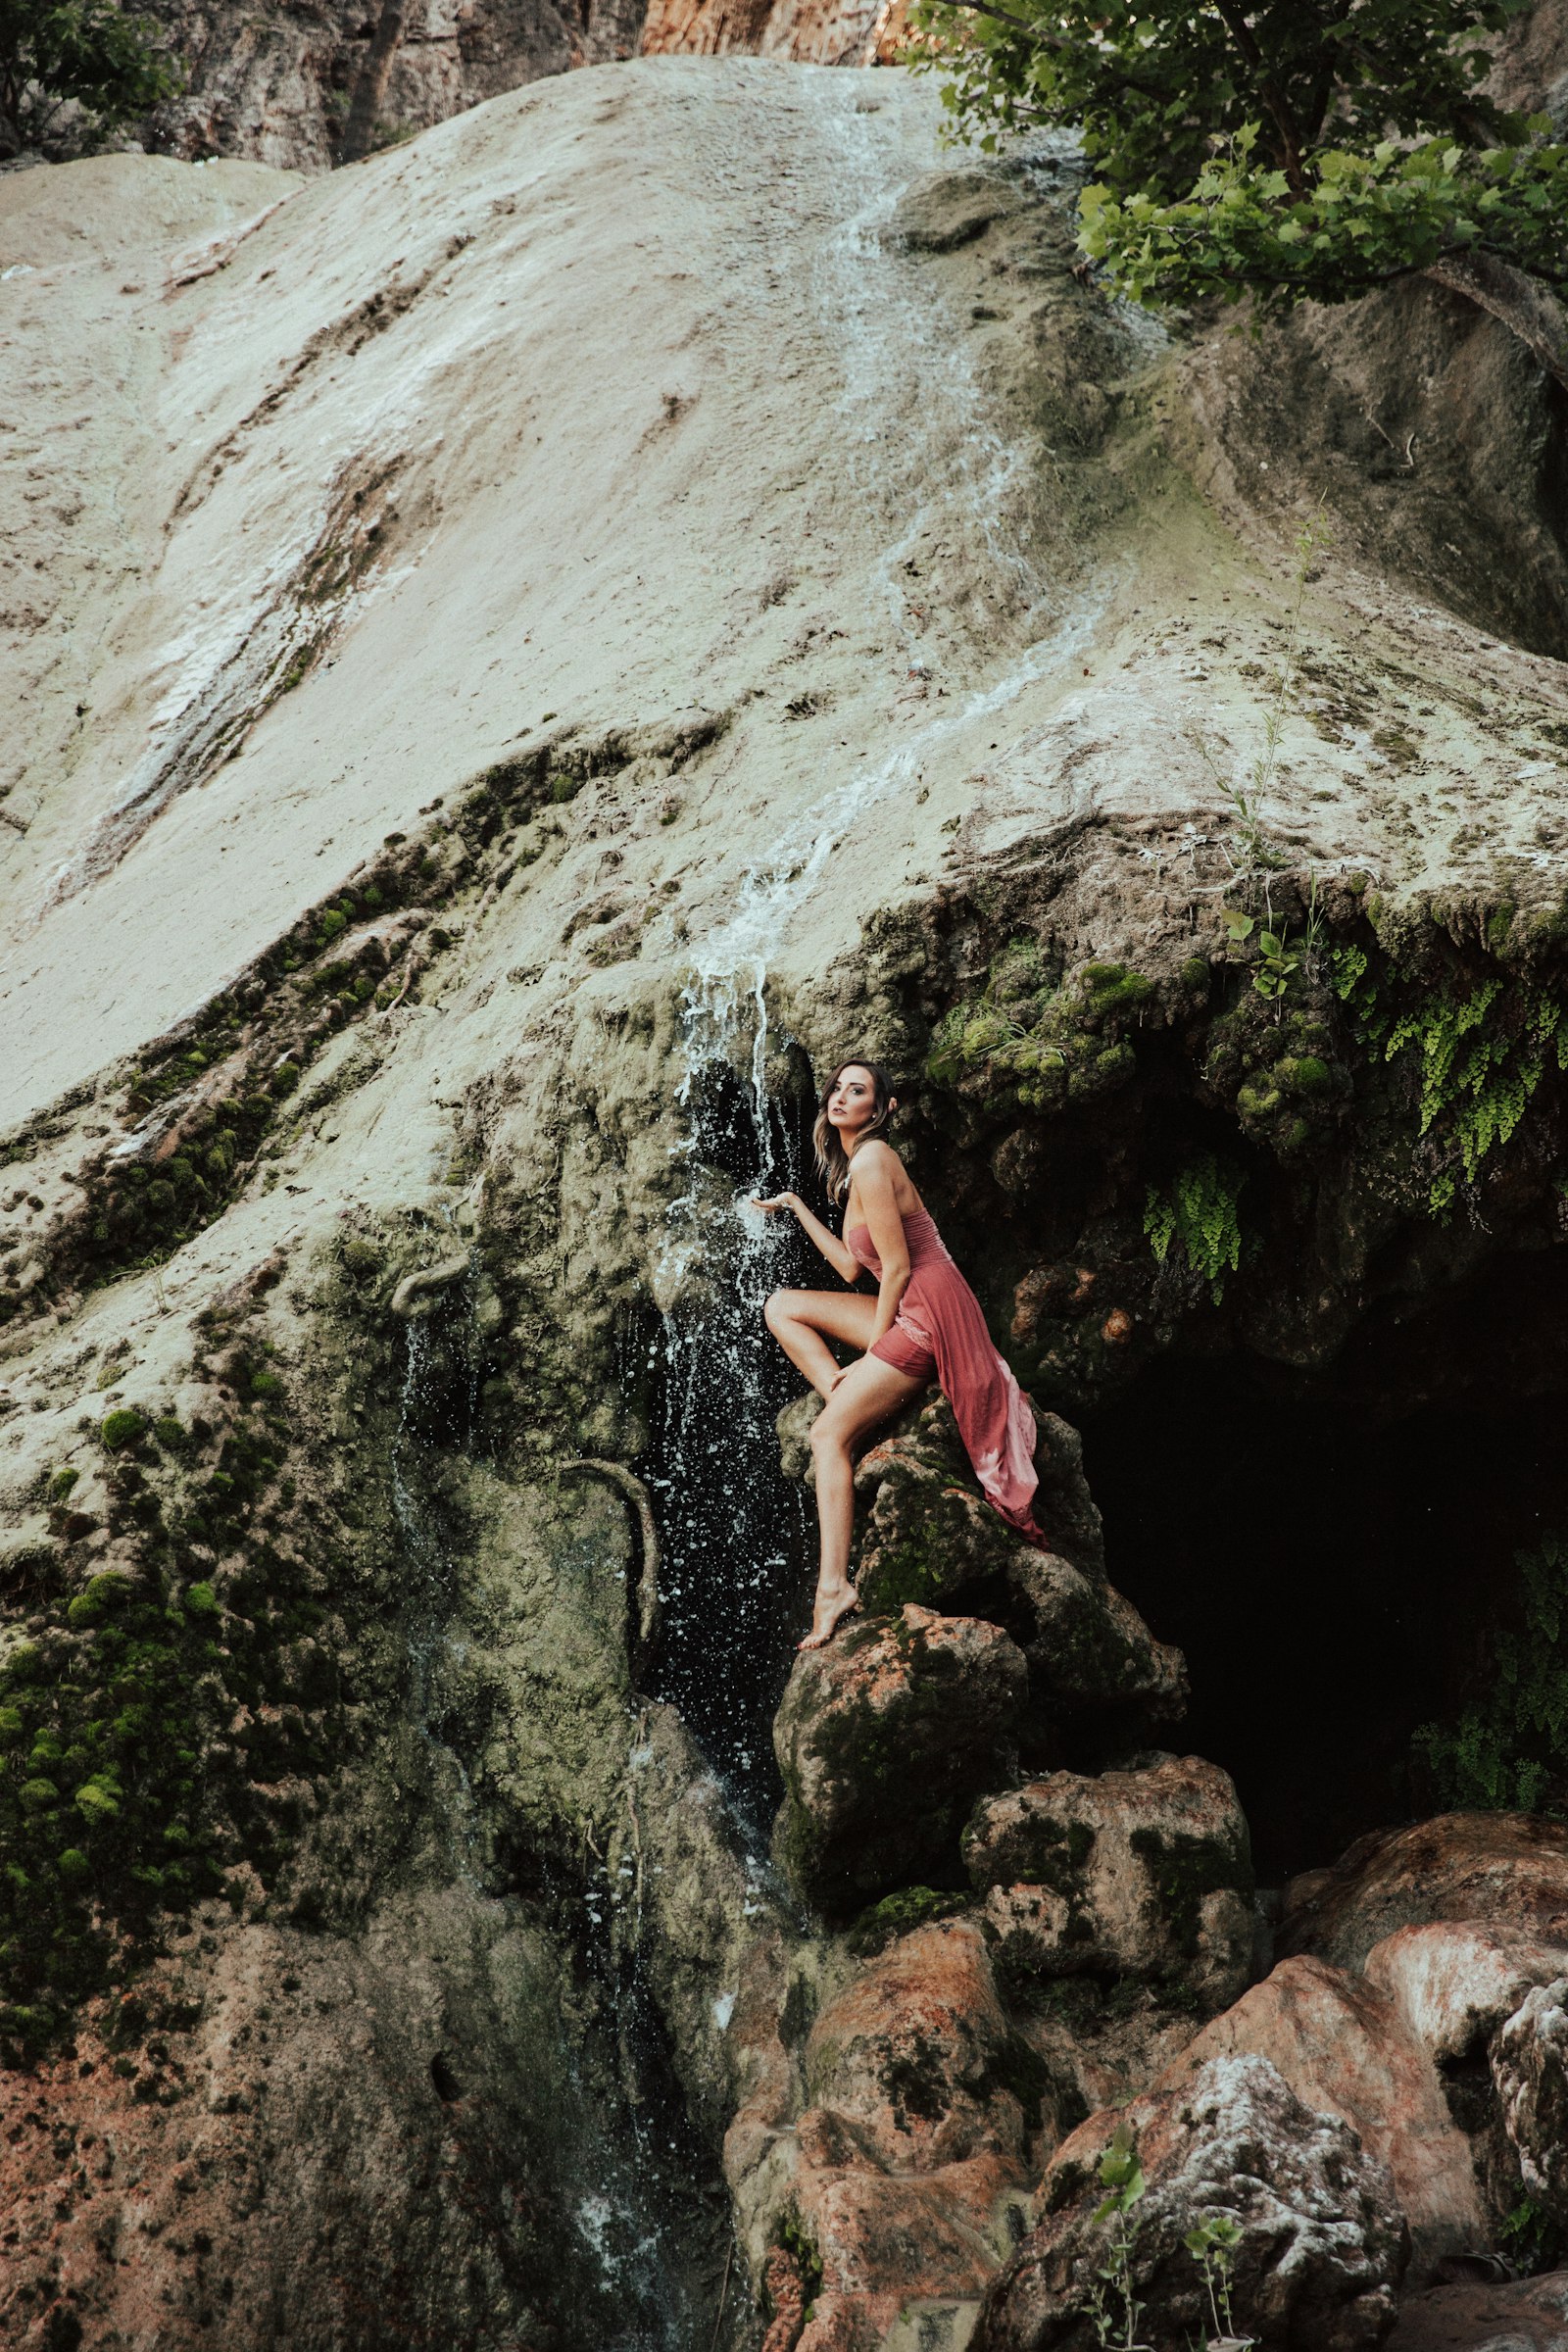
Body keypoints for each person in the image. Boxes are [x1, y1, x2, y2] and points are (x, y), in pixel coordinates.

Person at [757, 1057, 1043, 1651]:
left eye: (856, 1090)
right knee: (781, 1305)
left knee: (827, 1439)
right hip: (911, 1307)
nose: (840, 1096)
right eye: (836, 1086)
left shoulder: (872, 1158)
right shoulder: (855, 1168)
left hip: (929, 1314)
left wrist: (878, 1352)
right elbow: (850, 1267)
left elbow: (904, 1269)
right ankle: (839, 1387)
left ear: (881, 1109)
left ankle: (832, 1588)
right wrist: (797, 1206)